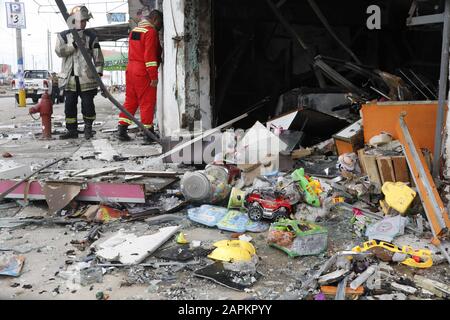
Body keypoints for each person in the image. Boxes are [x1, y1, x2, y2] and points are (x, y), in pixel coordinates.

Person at [55, 6, 104, 140]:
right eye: (80, 21)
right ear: (73, 21)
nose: (82, 24)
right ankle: (72, 130)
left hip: (86, 78)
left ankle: (88, 128)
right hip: (69, 78)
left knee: (88, 105)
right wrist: (73, 45)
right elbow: (59, 51)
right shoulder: (63, 35)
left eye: (84, 21)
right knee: (69, 105)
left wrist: (99, 74)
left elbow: (98, 57)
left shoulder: (91, 36)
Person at [116, 8, 163, 143]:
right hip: (143, 71)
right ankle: (149, 134)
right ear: (155, 20)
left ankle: (122, 129)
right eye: (160, 24)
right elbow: (150, 57)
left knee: (131, 100)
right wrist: (153, 76)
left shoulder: (135, 31)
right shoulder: (150, 32)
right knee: (147, 101)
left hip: (131, 69)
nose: (160, 28)